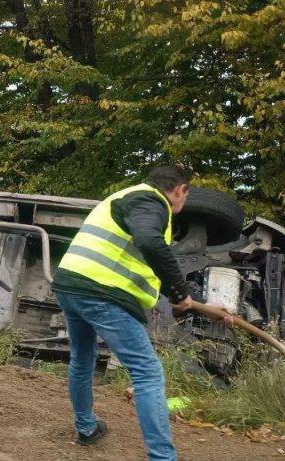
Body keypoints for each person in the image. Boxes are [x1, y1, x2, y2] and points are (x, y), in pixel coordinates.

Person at [52, 165, 233, 460]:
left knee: (82, 359)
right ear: (181, 190)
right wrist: (179, 293)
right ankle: (162, 457)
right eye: (186, 195)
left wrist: (194, 301)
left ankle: (86, 428)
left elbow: (147, 264)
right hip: (102, 293)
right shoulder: (151, 201)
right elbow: (150, 242)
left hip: (71, 286)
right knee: (147, 372)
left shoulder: (125, 198)